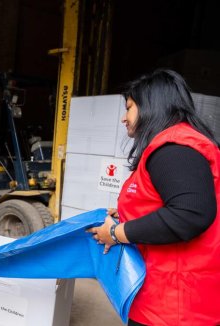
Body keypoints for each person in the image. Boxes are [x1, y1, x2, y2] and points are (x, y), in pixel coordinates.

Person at [87, 69, 220, 325]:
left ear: (151, 106)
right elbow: (168, 202)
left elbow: (190, 213)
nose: (124, 118)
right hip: (170, 298)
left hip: (174, 306)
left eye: (129, 108)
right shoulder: (175, 146)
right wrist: (128, 213)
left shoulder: (174, 149)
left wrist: (115, 234)